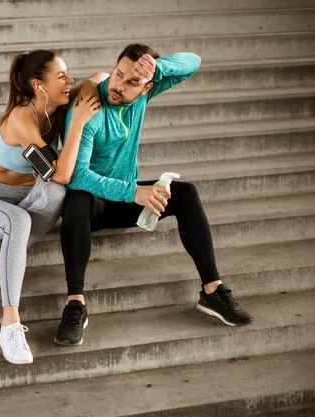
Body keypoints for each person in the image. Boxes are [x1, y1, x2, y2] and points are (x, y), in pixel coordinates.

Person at [55, 43, 254, 346]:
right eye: (119, 73)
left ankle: (213, 291)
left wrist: (156, 69)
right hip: (93, 207)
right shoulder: (90, 106)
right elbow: (77, 176)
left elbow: (193, 62)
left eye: (132, 81)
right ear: (114, 65)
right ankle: (75, 303)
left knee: (186, 194)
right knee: (77, 199)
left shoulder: (144, 91)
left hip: (127, 200)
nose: (119, 85)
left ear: (147, 87)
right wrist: (133, 191)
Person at [0, 50, 103, 364]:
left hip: (25, 199)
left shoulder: (58, 101)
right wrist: (78, 122)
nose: (70, 81)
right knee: (20, 218)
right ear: (39, 85)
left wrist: (92, 90)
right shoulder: (22, 119)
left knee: (54, 193)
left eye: (68, 74)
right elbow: (63, 172)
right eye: (62, 76)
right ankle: (9, 325)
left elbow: (99, 78)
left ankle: (8, 257)